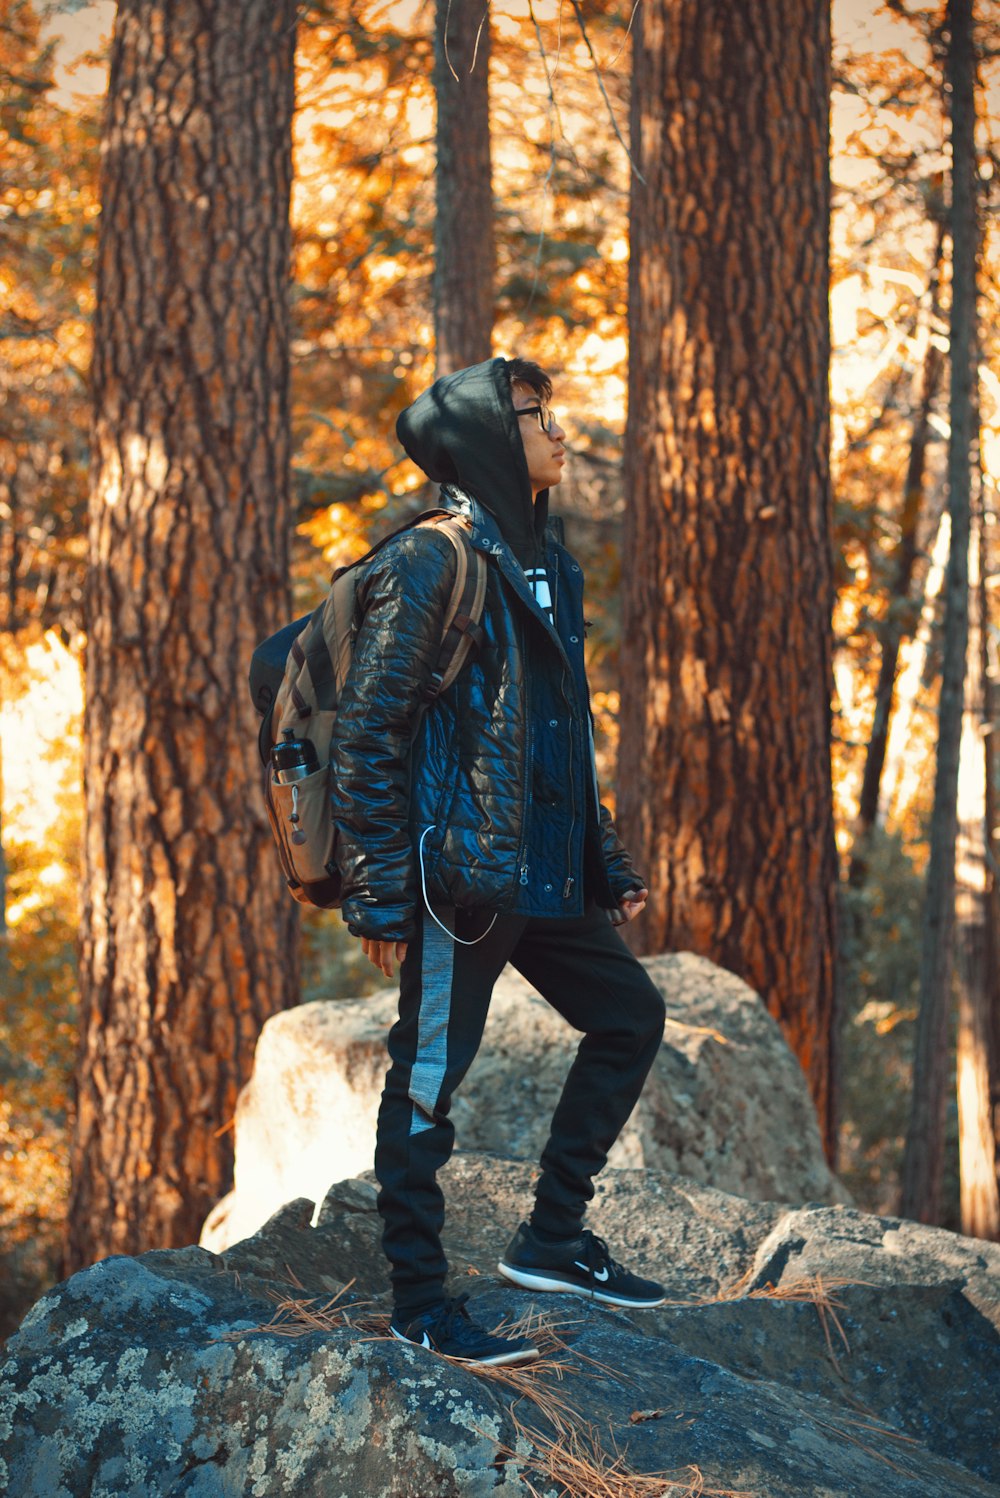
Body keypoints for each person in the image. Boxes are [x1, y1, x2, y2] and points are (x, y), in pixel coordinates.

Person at [328, 355, 667, 1367]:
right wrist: (382, 895)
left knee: (629, 1017)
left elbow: (561, 732)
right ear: (482, 436)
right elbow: (370, 730)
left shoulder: (545, 560)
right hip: (457, 882)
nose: (558, 432)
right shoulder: (433, 560)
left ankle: (552, 1239)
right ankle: (420, 1304)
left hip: (540, 872)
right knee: (430, 1080)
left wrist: (601, 858)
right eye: (533, 416)